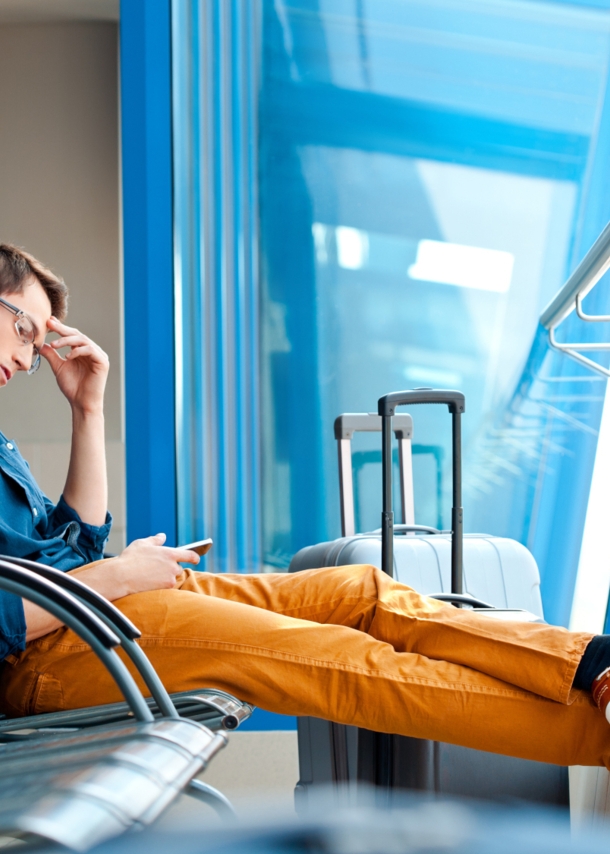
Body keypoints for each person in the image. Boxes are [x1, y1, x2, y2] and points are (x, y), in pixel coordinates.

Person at [0, 242, 609, 769]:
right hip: (44, 654)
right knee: (337, 659)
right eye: (25, 329)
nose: (31, 358)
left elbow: (72, 546)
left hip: (90, 608)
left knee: (361, 592)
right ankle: (598, 736)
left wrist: (88, 410)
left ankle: (592, 663)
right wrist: (117, 574)